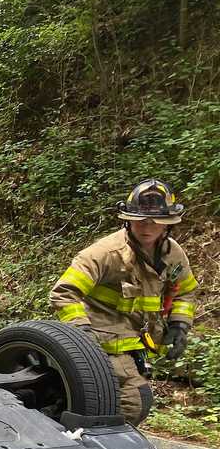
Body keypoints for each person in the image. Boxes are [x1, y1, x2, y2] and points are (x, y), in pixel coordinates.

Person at [50, 179, 200, 423]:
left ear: (168, 225)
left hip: (137, 342)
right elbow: (64, 292)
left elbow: (186, 290)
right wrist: (82, 334)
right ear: (127, 219)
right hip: (102, 343)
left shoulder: (172, 253)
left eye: (155, 222)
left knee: (113, 404)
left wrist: (179, 325)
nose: (146, 227)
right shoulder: (107, 253)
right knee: (134, 402)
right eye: (139, 220)